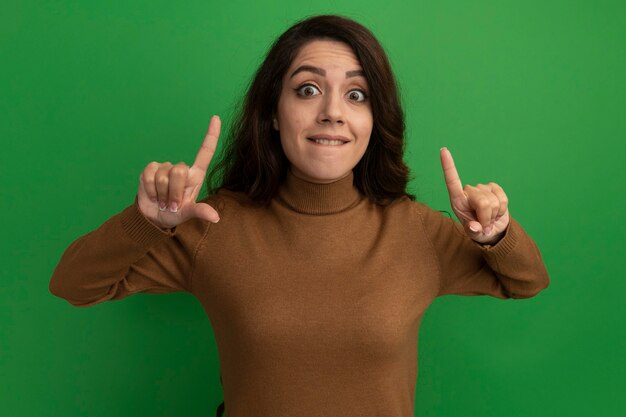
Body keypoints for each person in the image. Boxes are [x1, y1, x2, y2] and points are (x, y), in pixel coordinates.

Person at [49, 14, 549, 417]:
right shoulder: (212, 225)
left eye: (357, 95)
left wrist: (497, 233)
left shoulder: (417, 230)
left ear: (374, 121)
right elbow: (73, 285)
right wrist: (149, 221)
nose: (332, 111)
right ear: (272, 111)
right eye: (308, 89)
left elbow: (526, 281)